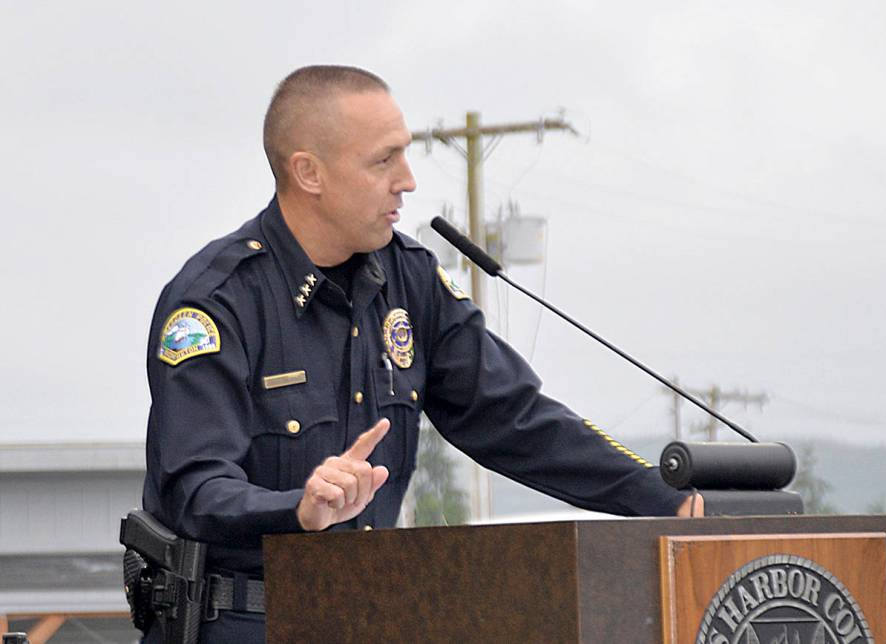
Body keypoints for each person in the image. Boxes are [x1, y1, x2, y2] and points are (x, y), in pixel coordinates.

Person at [141, 65, 702, 643]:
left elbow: (514, 419)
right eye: (383, 161)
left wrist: (669, 499)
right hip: (240, 623)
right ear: (309, 172)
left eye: (405, 156)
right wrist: (300, 510)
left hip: (368, 619)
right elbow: (195, 490)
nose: (407, 180)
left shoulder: (410, 280)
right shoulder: (215, 302)